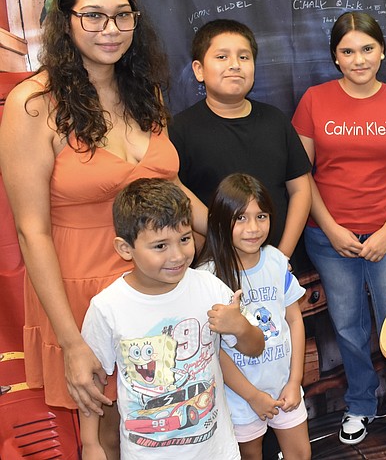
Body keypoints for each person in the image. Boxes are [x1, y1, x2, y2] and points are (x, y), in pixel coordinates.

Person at [0, 0, 205, 455]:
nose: (110, 30)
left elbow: (169, 182)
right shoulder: (33, 104)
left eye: (121, 16)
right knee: (108, 435)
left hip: (155, 282)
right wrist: (73, 343)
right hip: (81, 293)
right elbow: (32, 233)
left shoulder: (144, 92)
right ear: (65, 22)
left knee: (160, 421)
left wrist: (233, 226)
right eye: (93, 17)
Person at [291, 11, 386, 459]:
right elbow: (301, 173)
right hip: (330, 238)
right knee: (349, 329)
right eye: (347, 51)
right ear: (335, 56)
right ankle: (361, 404)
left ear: (382, 51)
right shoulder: (314, 101)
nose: (358, 59)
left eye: (366, 48)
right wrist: (331, 229)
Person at [79, 178, 264, 459]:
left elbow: (255, 346)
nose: (178, 255)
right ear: (125, 249)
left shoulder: (210, 287)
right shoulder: (107, 307)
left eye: (185, 239)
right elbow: (92, 380)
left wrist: (240, 327)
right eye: (160, 246)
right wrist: (91, 443)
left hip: (216, 450)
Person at [169, 19, 312, 264]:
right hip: (214, 265)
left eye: (244, 57)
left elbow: (300, 190)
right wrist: (220, 241)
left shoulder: (275, 121)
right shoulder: (179, 129)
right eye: (222, 57)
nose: (235, 65)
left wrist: (281, 256)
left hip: (278, 260)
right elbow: (177, 193)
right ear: (199, 70)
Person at [196, 173, 311, 460]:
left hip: (284, 385)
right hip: (239, 397)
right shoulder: (209, 277)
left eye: (261, 216)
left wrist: (295, 380)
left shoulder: (275, 261)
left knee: (301, 453)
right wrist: (252, 396)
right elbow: (214, 351)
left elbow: (294, 320)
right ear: (222, 221)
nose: (253, 228)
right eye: (241, 218)